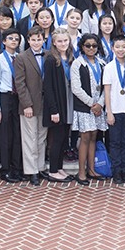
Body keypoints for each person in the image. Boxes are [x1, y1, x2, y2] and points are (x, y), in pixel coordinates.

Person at [70, 34, 108, 185]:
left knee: (94, 136)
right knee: (85, 138)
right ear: (82, 47)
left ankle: (92, 169)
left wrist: (101, 103)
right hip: (85, 107)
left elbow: (106, 85)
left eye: (94, 45)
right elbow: (76, 88)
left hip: (98, 106)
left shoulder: (102, 63)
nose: (91, 48)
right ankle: (81, 172)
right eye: (87, 45)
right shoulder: (77, 64)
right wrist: (92, 104)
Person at [14, 27, 48, 186]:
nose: (36, 42)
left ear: (44, 40)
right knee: (30, 138)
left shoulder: (49, 55)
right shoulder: (21, 57)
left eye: (39, 39)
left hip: (45, 104)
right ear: (28, 40)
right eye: (33, 40)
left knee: (41, 138)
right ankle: (31, 170)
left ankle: (40, 166)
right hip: (29, 104)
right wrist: (26, 104)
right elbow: (20, 84)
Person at [42, 29, 75, 183]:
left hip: (68, 100)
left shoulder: (70, 57)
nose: (63, 44)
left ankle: (60, 167)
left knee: (63, 139)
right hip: (57, 103)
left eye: (65, 41)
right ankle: (53, 170)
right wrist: (53, 110)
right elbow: (47, 86)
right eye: (60, 41)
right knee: (57, 138)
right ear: (54, 42)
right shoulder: (50, 59)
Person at [103, 35, 125, 184]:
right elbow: (107, 91)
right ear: (112, 48)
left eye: (124, 47)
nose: (121, 50)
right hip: (114, 110)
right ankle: (116, 170)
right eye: (117, 47)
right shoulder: (109, 67)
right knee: (115, 142)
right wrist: (108, 112)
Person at [0, 29, 23, 183]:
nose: (13, 41)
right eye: (10, 38)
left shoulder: (19, 58)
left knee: (17, 134)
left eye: (16, 39)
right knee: (5, 136)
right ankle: (5, 169)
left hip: (18, 98)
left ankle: (17, 168)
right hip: (4, 97)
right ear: (4, 41)